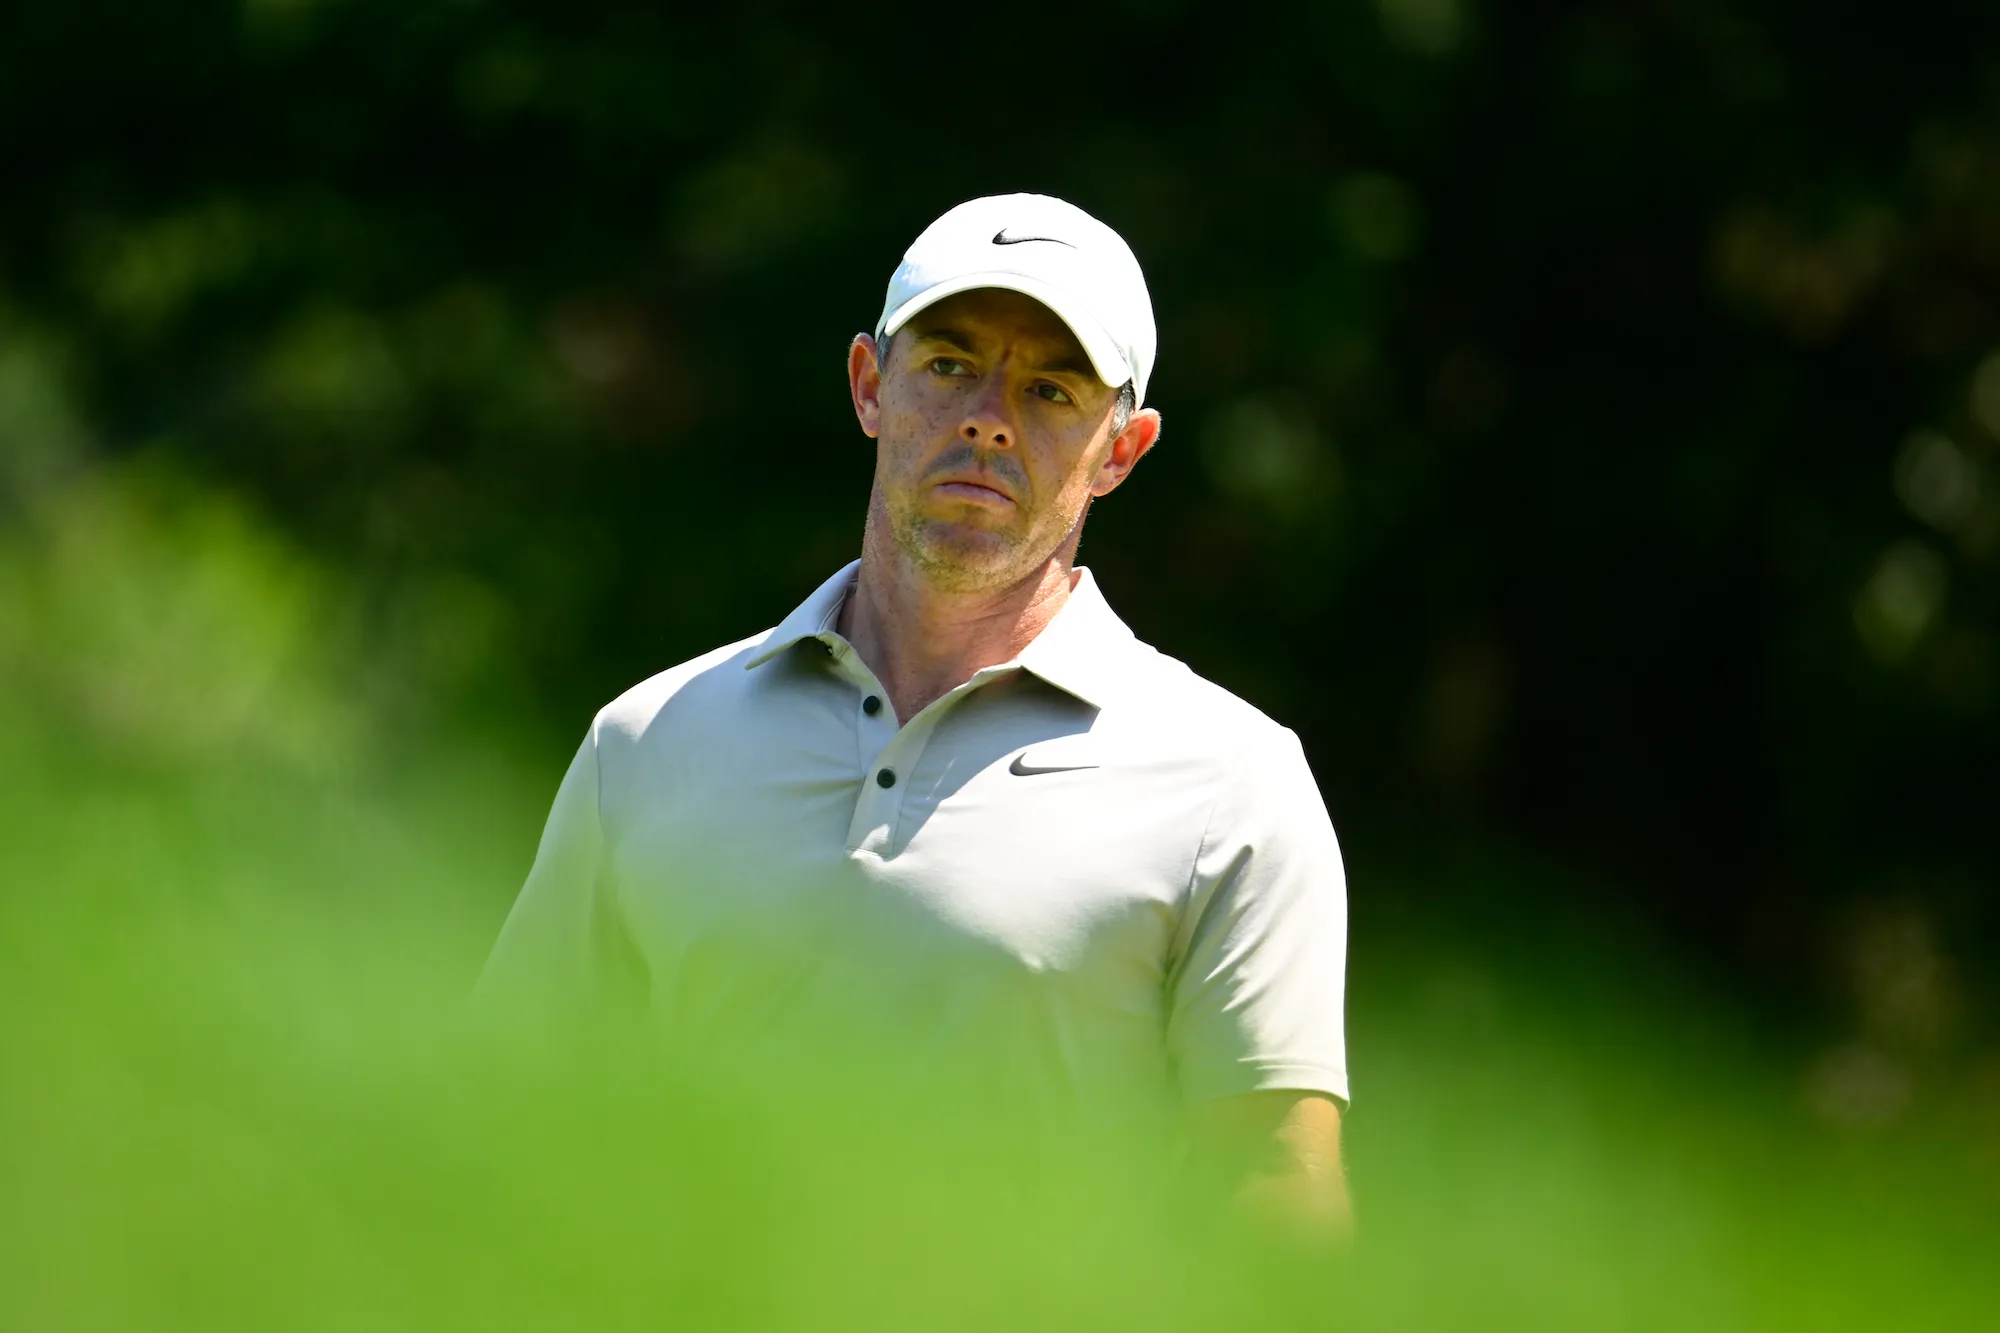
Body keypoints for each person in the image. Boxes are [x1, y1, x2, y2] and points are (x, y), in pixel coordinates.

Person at [477, 193, 1351, 1237]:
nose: (988, 415)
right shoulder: (649, 737)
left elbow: (1275, 1208)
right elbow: (508, 1127)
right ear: (868, 386)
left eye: (1051, 388)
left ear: (1121, 451)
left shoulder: (1230, 780)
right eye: (948, 364)